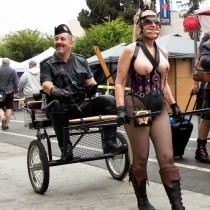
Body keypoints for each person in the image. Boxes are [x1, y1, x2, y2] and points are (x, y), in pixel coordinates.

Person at [115, 1, 185, 209]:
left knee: (167, 157)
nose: (154, 25)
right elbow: (119, 82)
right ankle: (143, 202)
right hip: (137, 107)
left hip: (159, 107)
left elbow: (163, 83)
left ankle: (177, 206)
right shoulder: (130, 50)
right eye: (148, 21)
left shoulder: (163, 52)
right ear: (139, 26)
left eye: (156, 21)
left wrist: (174, 105)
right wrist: (120, 109)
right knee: (142, 158)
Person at [40, 24, 127, 161]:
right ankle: (66, 148)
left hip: (82, 105)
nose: (58, 42)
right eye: (56, 39)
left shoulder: (81, 60)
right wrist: (58, 93)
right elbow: (46, 85)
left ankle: (109, 143)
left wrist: (92, 87)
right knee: (56, 103)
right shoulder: (47, 63)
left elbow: (90, 81)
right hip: (63, 108)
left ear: (71, 43)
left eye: (62, 39)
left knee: (109, 100)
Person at [191, 31, 210, 163]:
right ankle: (201, 149)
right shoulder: (208, 42)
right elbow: (203, 60)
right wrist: (195, 83)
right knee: (207, 118)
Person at [0, 58, 18, 130]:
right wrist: (16, 92)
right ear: (9, 63)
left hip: (0, 92)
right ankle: (6, 124)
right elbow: (15, 82)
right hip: (10, 91)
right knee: (9, 108)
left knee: (0, 106)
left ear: (2, 62)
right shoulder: (13, 71)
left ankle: (2, 118)